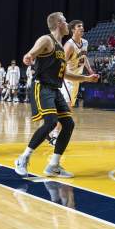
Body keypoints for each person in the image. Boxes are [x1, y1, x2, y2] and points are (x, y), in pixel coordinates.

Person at [14, 12, 99, 178]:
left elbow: (65, 74)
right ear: (59, 23)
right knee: (51, 122)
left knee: (68, 124)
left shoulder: (60, 46)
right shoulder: (47, 40)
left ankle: (53, 165)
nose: (67, 24)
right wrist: (29, 56)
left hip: (55, 88)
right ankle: (22, 158)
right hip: (42, 86)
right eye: (65, 21)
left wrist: (86, 78)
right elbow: (32, 52)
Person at [62, 20, 94, 107]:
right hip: (67, 78)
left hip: (77, 78)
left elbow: (84, 57)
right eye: (79, 26)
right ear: (72, 30)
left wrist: (90, 70)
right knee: (66, 106)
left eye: (82, 26)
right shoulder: (69, 45)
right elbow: (61, 63)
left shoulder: (85, 42)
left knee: (70, 106)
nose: (82, 28)